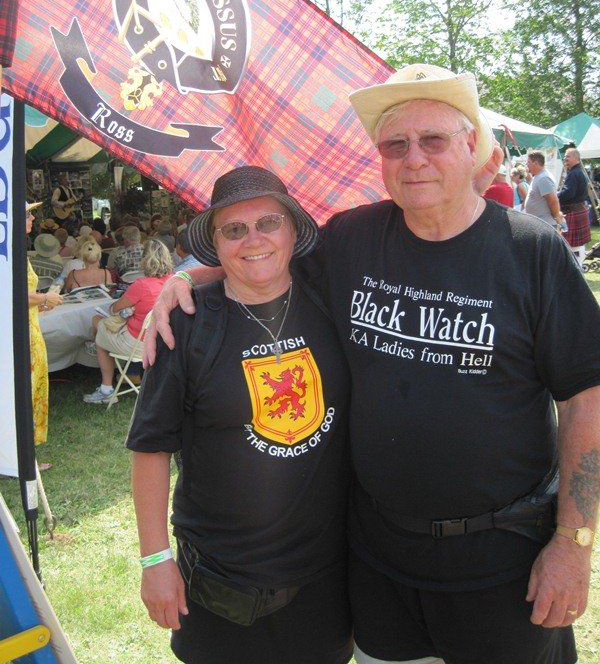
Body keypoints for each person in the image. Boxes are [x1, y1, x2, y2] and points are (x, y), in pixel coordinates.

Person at [148, 64, 600, 664]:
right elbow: (263, 257)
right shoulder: (353, 238)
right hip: (379, 563)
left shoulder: (531, 251)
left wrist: (573, 541)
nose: (414, 159)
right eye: (395, 145)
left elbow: (586, 398)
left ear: (471, 146)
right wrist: (185, 278)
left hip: (505, 563)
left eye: (432, 140)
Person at [127, 167, 352, 664]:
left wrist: (183, 272)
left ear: (293, 230)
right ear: (215, 243)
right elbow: (150, 447)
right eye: (233, 229)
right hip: (221, 583)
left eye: (268, 222)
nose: (253, 239)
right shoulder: (185, 323)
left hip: (325, 577)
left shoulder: (330, 298)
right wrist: (155, 559)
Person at [83, 239, 172, 405]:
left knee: (99, 330)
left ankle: (106, 390)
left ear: (145, 259)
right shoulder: (173, 281)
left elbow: (114, 309)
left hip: (139, 343)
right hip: (164, 342)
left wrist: (127, 309)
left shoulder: (142, 285)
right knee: (100, 325)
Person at [26, 202, 63, 468]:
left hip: (29, 325)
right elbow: (13, 292)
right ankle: (24, 457)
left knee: (32, 387)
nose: (32, 217)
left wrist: (40, 303)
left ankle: (24, 454)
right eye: (27, 213)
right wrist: (45, 297)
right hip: (24, 333)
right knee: (27, 390)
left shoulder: (16, 249)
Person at [558, 147, 591, 262]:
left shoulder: (573, 173)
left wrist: (555, 196)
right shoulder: (579, 171)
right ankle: (579, 264)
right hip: (578, 210)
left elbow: (568, 193)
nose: (565, 158)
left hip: (573, 211)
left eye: (568, 156)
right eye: (565, 156)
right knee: (578, 244)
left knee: (572, 245)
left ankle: (577, 265)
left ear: (576, 158)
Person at [524, 151, 565, 229]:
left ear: (535, 163)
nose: (526, 164)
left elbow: (553, 201)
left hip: (544, 225)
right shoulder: (538, 176)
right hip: (539, 224)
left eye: (528, 162)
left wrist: (557, 216)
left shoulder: (543, 178)